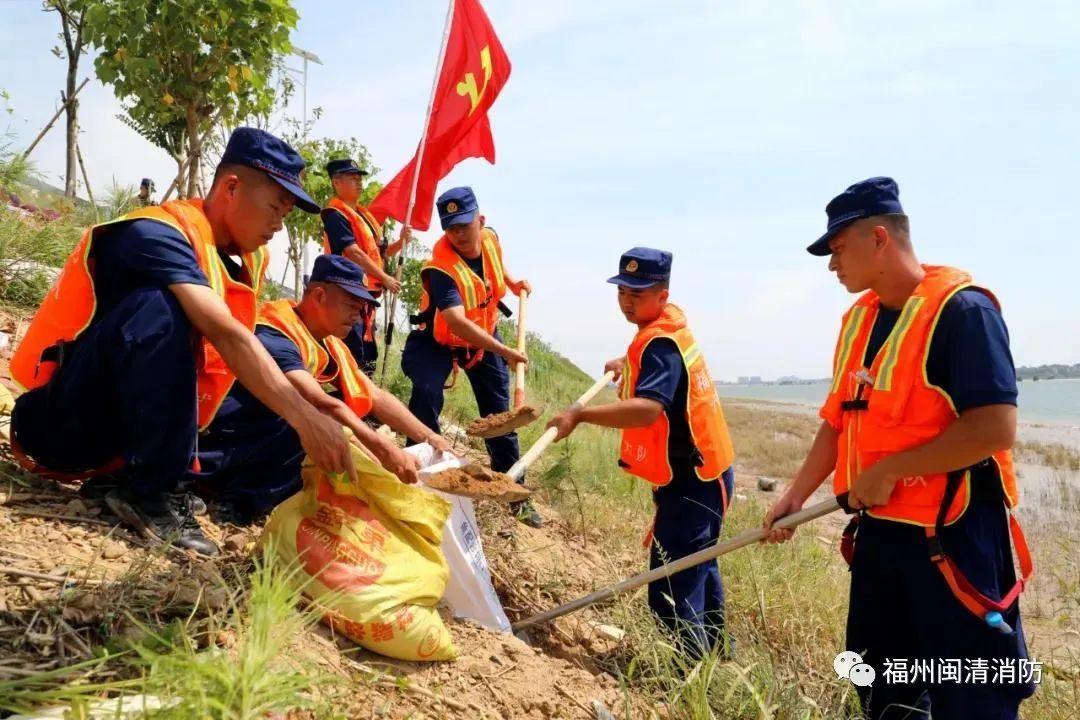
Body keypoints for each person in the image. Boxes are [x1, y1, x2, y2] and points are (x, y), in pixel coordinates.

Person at [762, 177, 1035, 719]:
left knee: (971, 692)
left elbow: (994, 427)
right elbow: (838, 421)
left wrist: (894, 470)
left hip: (952, 537)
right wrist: (796, 494)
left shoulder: (963, 312)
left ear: (879, 238)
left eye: (838, 248)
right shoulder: (858, 320)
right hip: (880, 536)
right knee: (884, 681)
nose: (831, 264)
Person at [10, 127, 352, 556]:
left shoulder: (243, 260)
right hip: (60, 427)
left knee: (273, 396)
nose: (278, 226)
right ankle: (149, 491)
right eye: (274, 208)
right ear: (231, 187)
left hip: (120, 438)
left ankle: (160, 480)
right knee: (161, 307)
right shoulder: (155, 234)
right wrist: (306, 417)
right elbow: (226, 333)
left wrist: (305, 416)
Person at [547, 247, 736, 657]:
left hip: (694, 482)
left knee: (671, 590)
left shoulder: (660, 344)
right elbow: (657, 367)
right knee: (698, 569)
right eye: (623, 291)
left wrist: (581, 414)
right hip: (707, 472)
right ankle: (718, 656)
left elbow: (649, 409)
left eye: (639, 292)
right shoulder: (664, 329)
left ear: (662, 295)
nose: (628, 300)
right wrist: (627, 364)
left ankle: (685, 675)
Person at [192, 254, 452, 523]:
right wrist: (381, 447)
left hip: (254, 438)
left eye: (362, 307)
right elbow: (316, 402)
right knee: (313, 419)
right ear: (319, 295)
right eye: (352, 305)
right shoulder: (276, 331)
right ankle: (234, 501)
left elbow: (374, 395)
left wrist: (428, 437)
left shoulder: (330, 342)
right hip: (217, 440)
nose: (358, 315)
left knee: (343, 411)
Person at [401, 186, 540, 527]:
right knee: (426, 394)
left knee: (501, 419)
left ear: (481, 220)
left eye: (465, 225)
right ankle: (416, 479)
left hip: (483, 337)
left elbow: (492, 267)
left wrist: (512, 280)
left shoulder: (490, 238)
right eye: (451, 228)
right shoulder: (440, 268)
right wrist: (504, 350)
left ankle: (513, 491)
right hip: (438, 339)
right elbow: (456, 322)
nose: (459, 234)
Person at [320, 158, 404, 376]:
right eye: (353, 179)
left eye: (359, 179)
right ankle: (346, 400)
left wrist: (401, 242)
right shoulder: (335, 215)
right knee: (352, 351)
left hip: (366, 295)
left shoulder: (364, 217)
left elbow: (380, 255)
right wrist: (385, 278)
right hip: (345, 291)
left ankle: (364, 402)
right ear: (336, 183)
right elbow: (353, 253)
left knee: (368, 354)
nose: (359, 183)